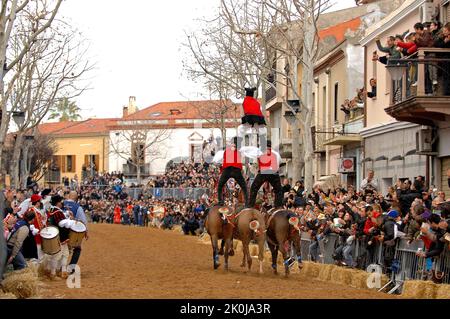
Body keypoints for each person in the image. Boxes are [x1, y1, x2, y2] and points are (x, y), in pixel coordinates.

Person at [213, 137, 251, 207]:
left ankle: (220, 202)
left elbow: (224, 160)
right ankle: (247, 203)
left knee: (220, 186)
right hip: (236, 170)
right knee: (244, 187)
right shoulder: (239, 151)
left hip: (227, 170)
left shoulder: (226, 151)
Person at [248, 140, 283, 208]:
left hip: (263, 172)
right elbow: (280, 162)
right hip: (273, 173)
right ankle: (278, 206)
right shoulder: (276, 153)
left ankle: (251, 205)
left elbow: (256, 163)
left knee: (254, 188)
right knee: (278, 190)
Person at [47, 195, 74, 279]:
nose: (62, 203)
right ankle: (53, 273)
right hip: (60, 236)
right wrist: (71, 221)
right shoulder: (57, 212)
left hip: (56, 235)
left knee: (65, 254)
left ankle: (63, 272)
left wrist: (66, 216)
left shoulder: (52, 210)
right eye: (61, 201)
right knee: (58, 255)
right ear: (58, 202)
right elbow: (61, 223)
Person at [64, 191, 89, 270]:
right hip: (71, 232)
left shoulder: (61, 203)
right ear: (76, 198)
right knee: (77, 249)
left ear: (69, 196)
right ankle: (71, 267)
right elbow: (83, 221)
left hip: (60, 230)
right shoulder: (78, 207)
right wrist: (86, 232)